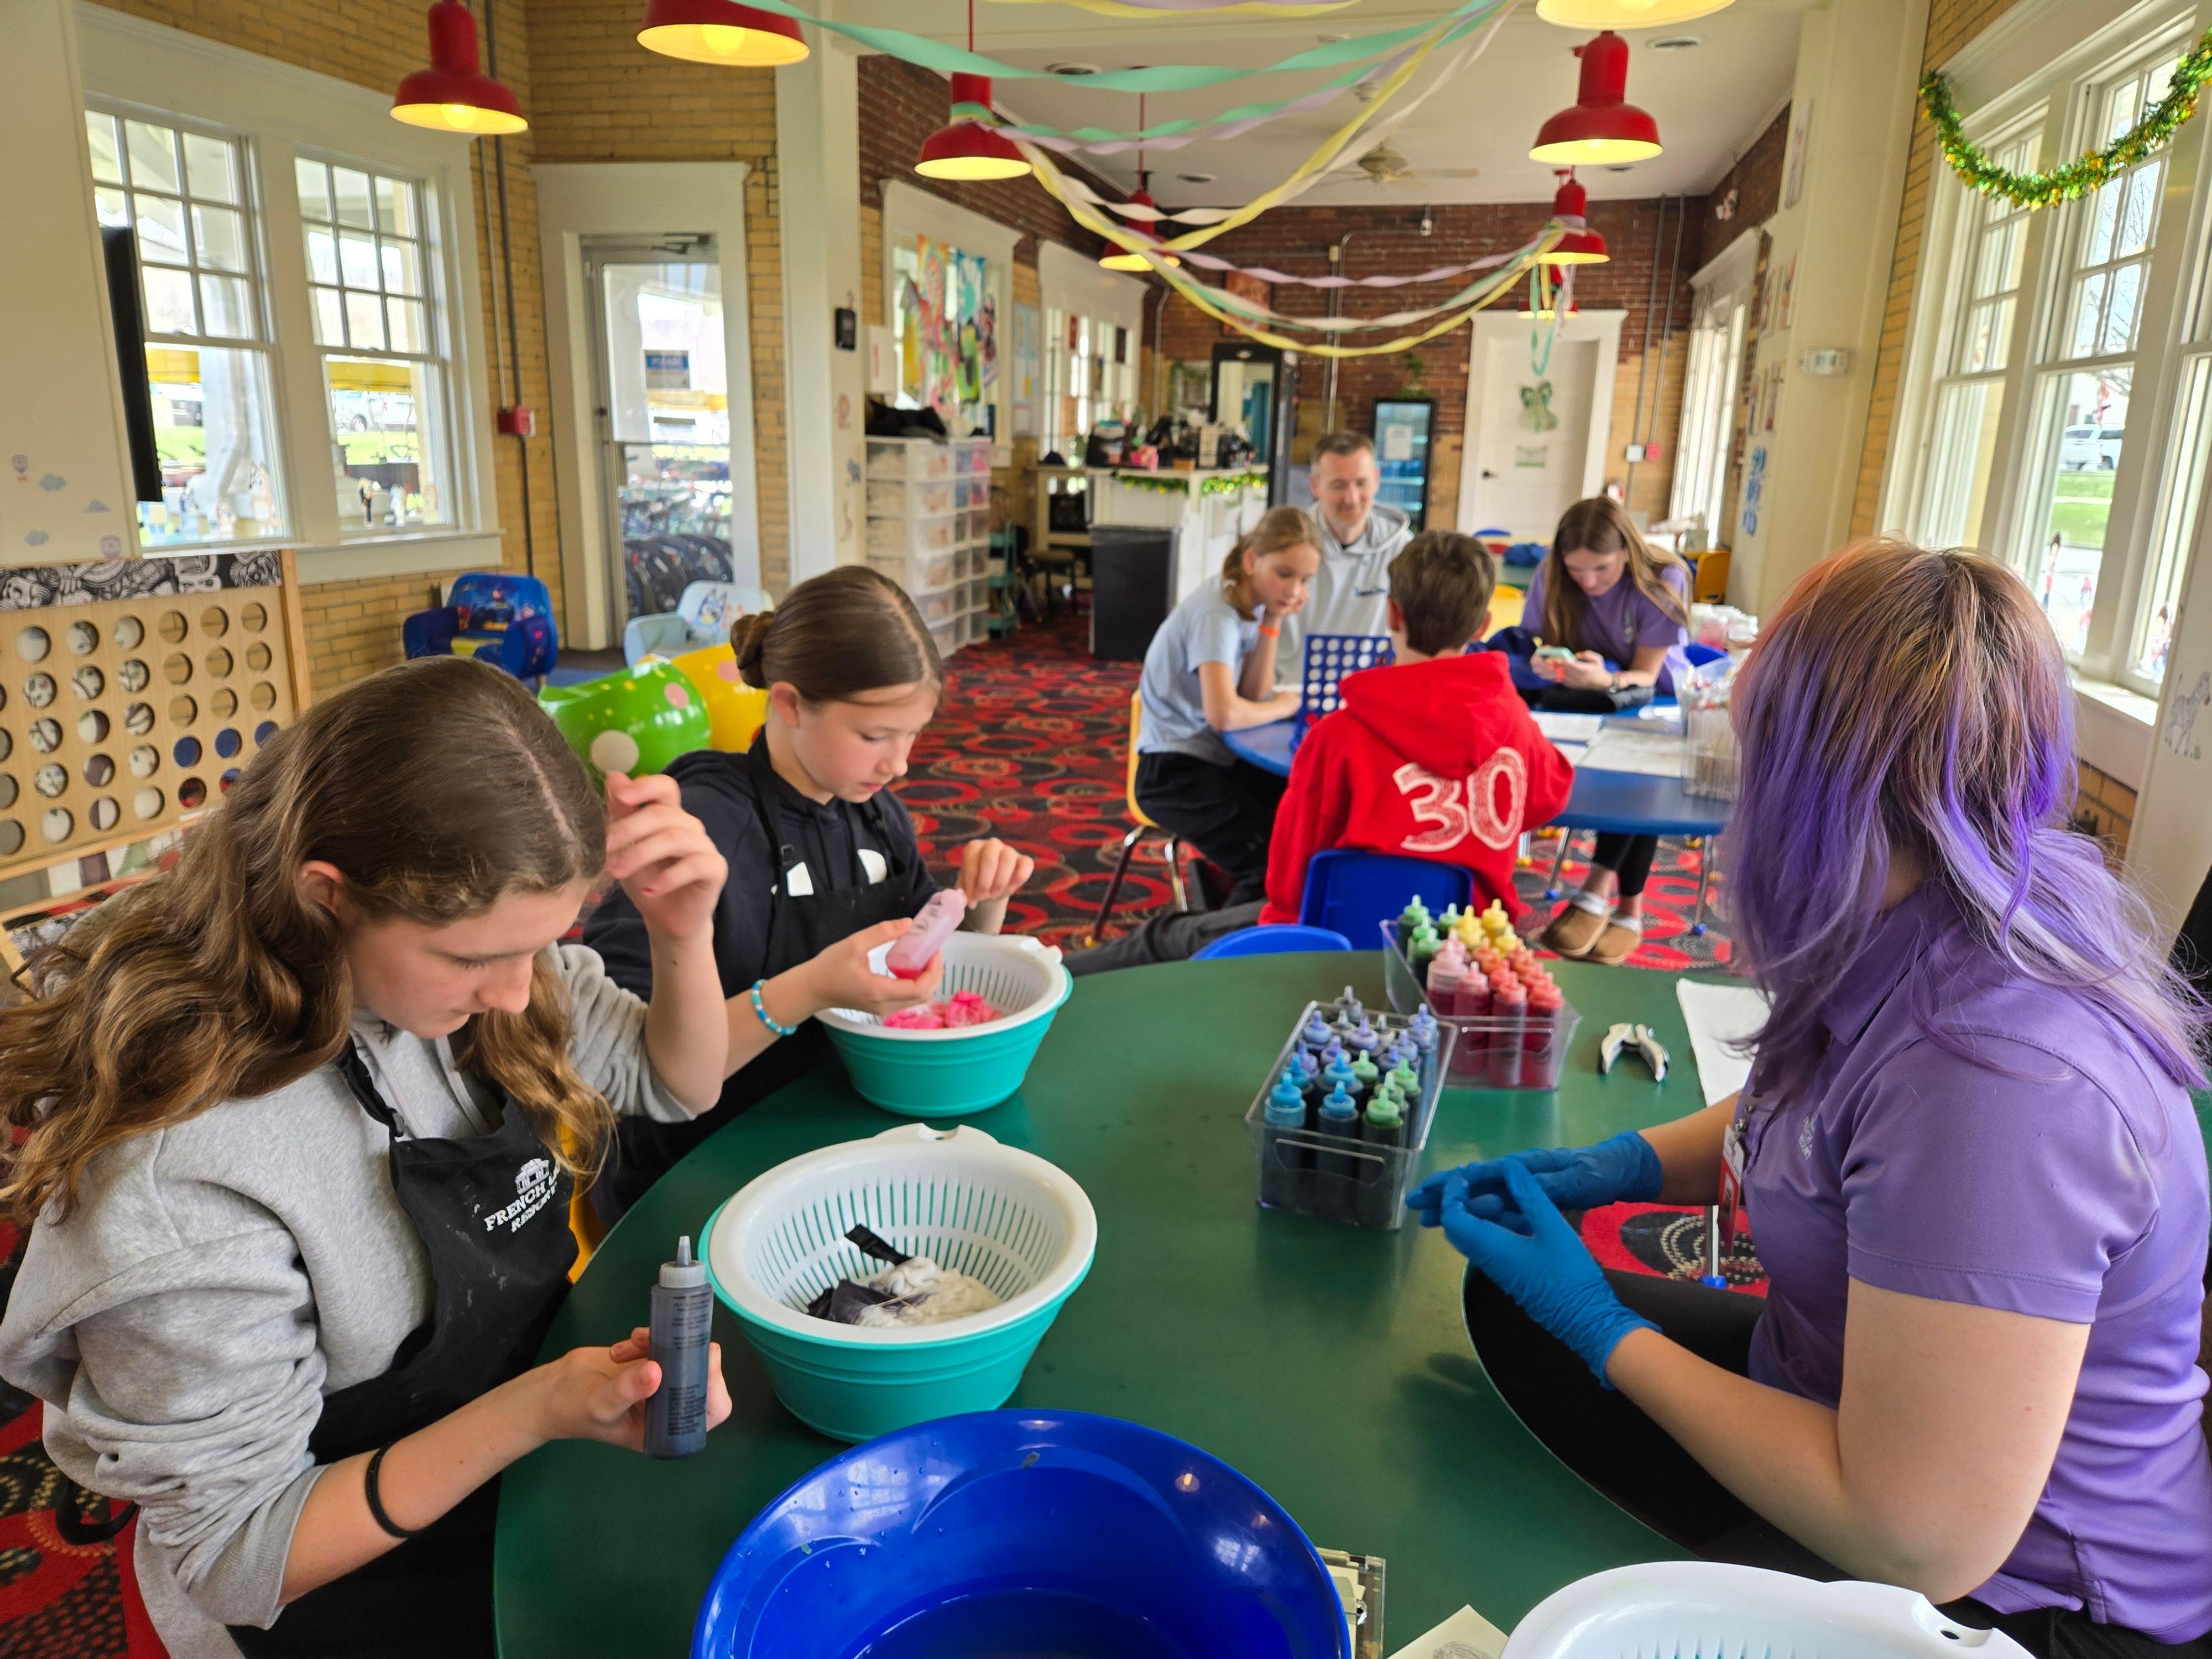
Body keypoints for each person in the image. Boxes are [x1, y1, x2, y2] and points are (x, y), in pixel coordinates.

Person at [1413, 541, 2212, 1659]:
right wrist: (1623, 1164)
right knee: (1503, 1312)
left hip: (2018, 1599)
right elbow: (1816, 1104)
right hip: (1836, 1390)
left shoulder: (2001, 1084)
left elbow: (1917, 1536)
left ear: (1814, 780)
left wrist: (1604, 1329)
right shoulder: (1927, 910)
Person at [0, 657, 753, 1659]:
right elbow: (239, 1553)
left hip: (502, 1451)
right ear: (328, 899)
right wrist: (534, 1412)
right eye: (473, 959)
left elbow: (677, 1084)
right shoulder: (181, 1175)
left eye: (539, 948)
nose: (519, 997)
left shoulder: (457, 973)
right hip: (330, 1571)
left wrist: (683, 931)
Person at [585, 565, 1034, 1219]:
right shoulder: (704, 828)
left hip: (837, 1128)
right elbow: (625, 1064)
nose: (899, 762)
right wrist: (810, 989)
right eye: (875, 737)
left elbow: (916, 981)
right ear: (789, 704)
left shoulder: (877, 816)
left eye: (913, 733)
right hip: (697, 1171)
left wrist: (978, 902)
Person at [1259, 530, 1572, 925]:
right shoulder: (1512, 722)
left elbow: (1291, 872)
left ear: (1392, 613)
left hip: (1344, 947)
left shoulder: (1335, 738)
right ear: (1482, 626)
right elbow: (1550, 794)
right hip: (1472, 954)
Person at [1524, 496, 1691, 965]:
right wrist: (1545, 661)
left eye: (1601, 568)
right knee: (1605, 783)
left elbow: (1645, 673)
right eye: (1577, 571)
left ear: (1627, 553)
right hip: (1582, 699)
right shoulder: (1552, 573)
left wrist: (1608, 679)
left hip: (1651, 699)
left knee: (1639, 783)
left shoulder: (1664, 578)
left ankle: (1614, 899)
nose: (1589, 582)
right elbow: (1534, 641)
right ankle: (1614, 904)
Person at [1131, 505, 1319, 910]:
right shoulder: (1217, 614)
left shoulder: (1248, 605)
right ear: (1252, 561)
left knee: (1298, 807)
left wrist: (1273, 620)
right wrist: (1287, 704)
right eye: (1285, 574)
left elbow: (1251, 694)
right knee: (1275, 858)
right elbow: (1226, 715)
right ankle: (1224, 947)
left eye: (1305, 580)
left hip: (1207, 758)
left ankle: (1229, 899)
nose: (1295, 589)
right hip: (1170, 771)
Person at [1278, 431, 1414, 668]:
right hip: (1292, 687)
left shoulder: (1401, 546)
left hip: (1370, 690)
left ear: (1377, 480)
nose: (1351, 499)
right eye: (1338, 486)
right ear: (1315, 486)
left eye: (1361, 483)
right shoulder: (1286, 542)